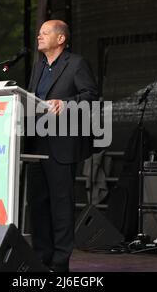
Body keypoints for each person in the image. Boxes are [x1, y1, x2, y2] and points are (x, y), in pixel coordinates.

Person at [26, 20, 98, 272]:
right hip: (35, 144)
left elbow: (91, 96)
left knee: (60, 206)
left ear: (61, 39)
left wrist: (66, 104)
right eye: (39, 32)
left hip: (62, 144)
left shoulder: (76, 64)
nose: (39, 36)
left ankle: (59, 263)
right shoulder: (38, 67)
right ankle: (40, 258)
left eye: (45, 33)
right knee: (37, 205)